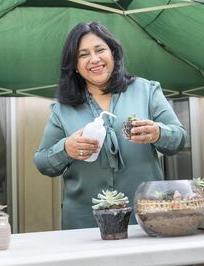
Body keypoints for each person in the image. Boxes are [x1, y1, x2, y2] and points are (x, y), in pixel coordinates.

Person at [34, 21, 186, 230]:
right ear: (75, 67)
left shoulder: (146, 91)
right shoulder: (63, 109)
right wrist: (65, 149)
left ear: (113, 53)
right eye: (83, 54)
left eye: (100, 50)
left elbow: (179, 138)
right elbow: (42, 161)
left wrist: (159, 133)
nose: (94, 59)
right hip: (84, 222)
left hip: (145, 214)